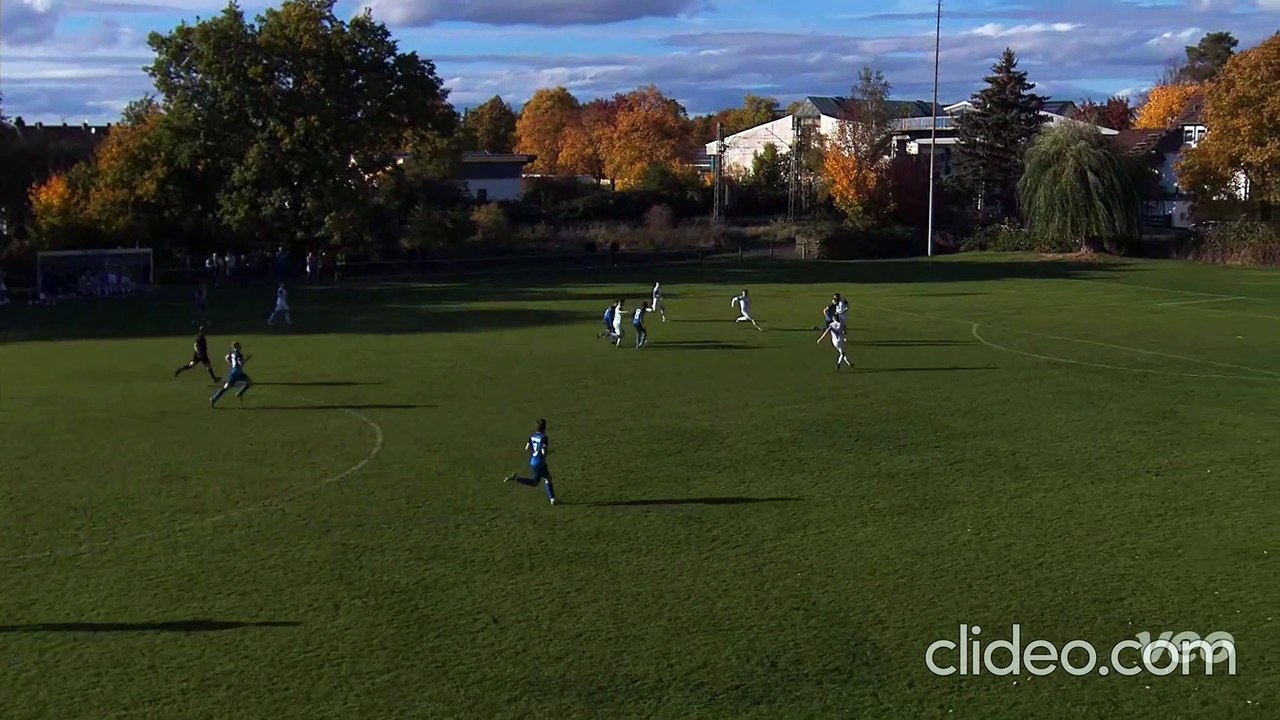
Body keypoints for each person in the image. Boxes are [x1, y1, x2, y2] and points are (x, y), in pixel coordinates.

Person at [504, 418, 557, 505]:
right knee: (535, 483)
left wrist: (536, 452)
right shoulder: (544, 437)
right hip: (539, 463)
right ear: (545, 427)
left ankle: (552, 499)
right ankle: (516, 478)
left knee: (548, 478)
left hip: (535, 461)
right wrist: (548, 452)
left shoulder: (532, 436)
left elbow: (527, 448)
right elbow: (543, 452)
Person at [210, 341, 253, 407]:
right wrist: (247, 358)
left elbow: (226, 357)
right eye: (239, 345)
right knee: (226, 387)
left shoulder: (232, 353)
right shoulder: (239, 354)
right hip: (235, 374)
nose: (240, 346)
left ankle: (239, 393)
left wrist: (231, 363)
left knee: (249, 382)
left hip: (238, 372)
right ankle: (214, 398)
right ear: (237, 347)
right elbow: (241, 363)